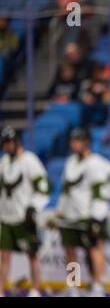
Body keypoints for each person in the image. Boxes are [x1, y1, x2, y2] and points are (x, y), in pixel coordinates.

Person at [49, 128, 110, 297]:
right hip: (70, 217)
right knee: (70, 252)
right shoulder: (70, 162)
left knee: (95, 250)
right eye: (72, 140)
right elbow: (65, 190)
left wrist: (97, 216)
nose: (73, 144)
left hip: (90, 216)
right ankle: (73, 287)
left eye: (77, 140)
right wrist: (60, 211)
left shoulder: (98, 164)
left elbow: (106, 191)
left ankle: (98, 286)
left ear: (86, 143)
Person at [0, 126, 50, 297]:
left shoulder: (29, 160)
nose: (6, 147)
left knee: (32, 255)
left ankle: (35, 289)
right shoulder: (4, 162)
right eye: (4, 144)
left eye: (9, 143)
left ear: (16, 142)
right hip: (6, 218)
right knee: (4, 256)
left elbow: (43, 188)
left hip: (24, 217)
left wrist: (34, 206)